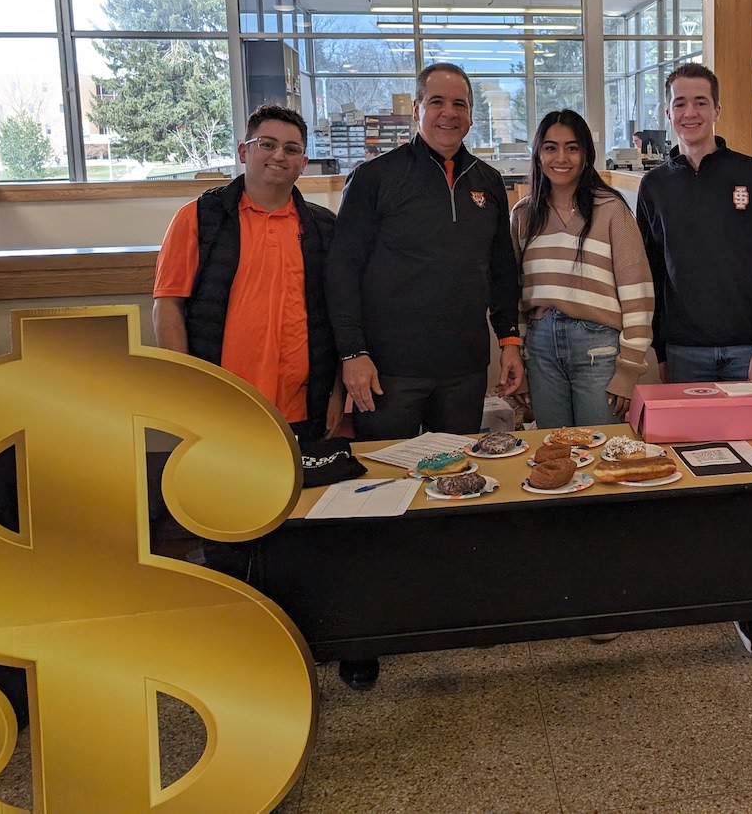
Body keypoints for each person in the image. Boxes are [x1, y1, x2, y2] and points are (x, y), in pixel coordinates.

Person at [325, 63, 523, 690]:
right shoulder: (377, 178)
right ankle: (368, 628)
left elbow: (501, 276)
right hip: (387, 371)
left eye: (460, 104)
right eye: (436, 102)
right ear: (416, 108)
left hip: (462, 370)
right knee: (378, 493)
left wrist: (510, 338)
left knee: (454, 487)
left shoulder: (489, 183)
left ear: (471, 112)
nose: (449, 114)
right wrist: (352, 352)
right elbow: (343, 270)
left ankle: (442, 604)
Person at [635, 62, 752, 655]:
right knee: (692, 470)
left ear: (718, 109)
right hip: (686, 353)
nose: (690, 113)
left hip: (747, 357)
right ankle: (704, 578)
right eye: (680, 103)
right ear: (667, 112)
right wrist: (658, 350)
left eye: (700, 101)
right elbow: (649, 275)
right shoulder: (654, 187)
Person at [153, 104, 339, 439]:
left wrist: (337, 393)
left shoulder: (324, 227)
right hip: (220, 401)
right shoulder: (197, 218)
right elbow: (168, 303)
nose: (279, 155)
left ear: (303, 163)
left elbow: (338, 314)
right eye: (267, 144)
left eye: (291, 149)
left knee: (306, 490)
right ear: (243, 151)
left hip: (303, 404)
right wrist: (182, 383)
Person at [512, 109, 654, 428]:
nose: (561, 157)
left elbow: (638, 297)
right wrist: (519, 361)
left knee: (601, 452)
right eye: (550, 147)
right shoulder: (523, 216)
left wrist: (629, 369)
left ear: (586, 155)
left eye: (572, 147)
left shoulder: (612, 211)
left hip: (599, 348)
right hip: (541, 349)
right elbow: (516, 298)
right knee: (554, 450)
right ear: (537, 154)